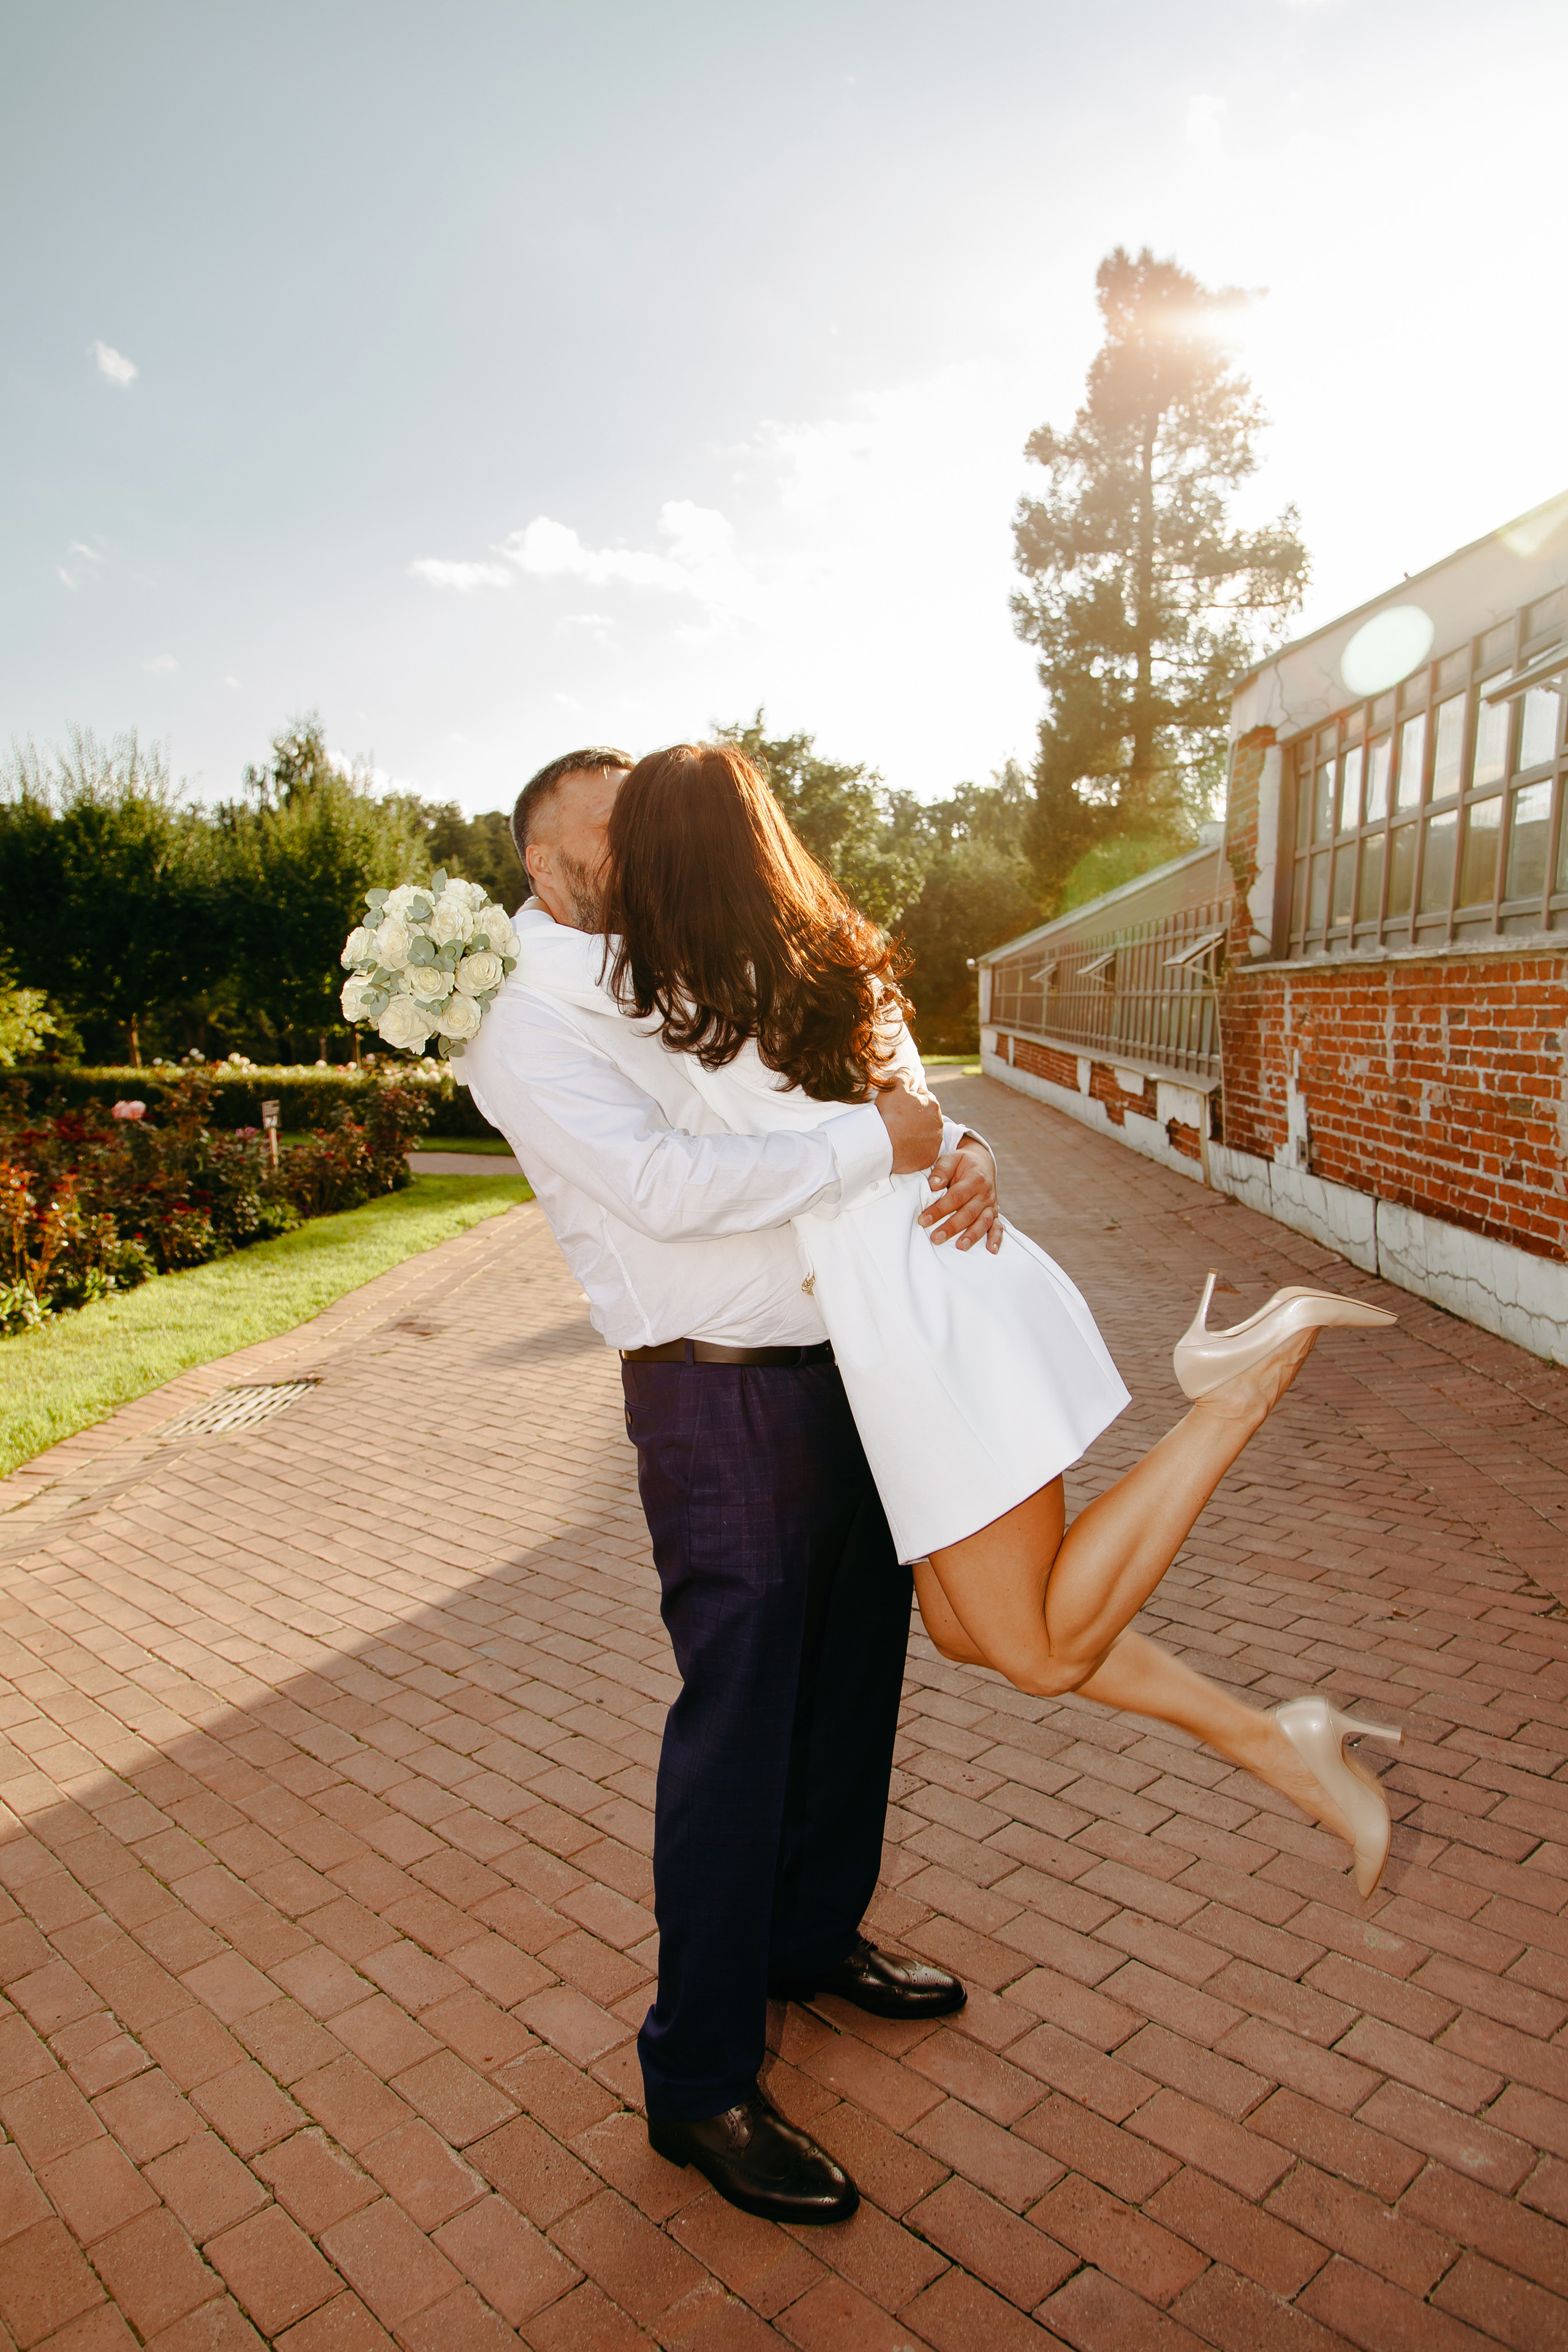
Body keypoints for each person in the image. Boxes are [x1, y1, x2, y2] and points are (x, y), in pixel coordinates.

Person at [514, 742, 1403, 1931]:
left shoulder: (694, 1007)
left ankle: (1234, 1394)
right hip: (936, 1298)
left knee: (1030, 1647)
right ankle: (1279, 1740)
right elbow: (921, 1125)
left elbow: (700, 1129)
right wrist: (966, 1151)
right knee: (966, 1628)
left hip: (919, 1326)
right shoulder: (832, 965)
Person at [462, 747, 1003, 2228]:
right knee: (737, 1727)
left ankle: (811, 1936)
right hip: (715, 1397)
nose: (629, 855)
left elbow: (855, 1087)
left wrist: (956, 1149)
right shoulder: (519, 1023)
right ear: (543, 859)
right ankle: (696, 2081)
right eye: (600, 835)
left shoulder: (689, 961)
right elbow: (669, 1190)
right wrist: (873, 1142)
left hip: (851, 1362)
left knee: (848, 1681)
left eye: (642, 828)